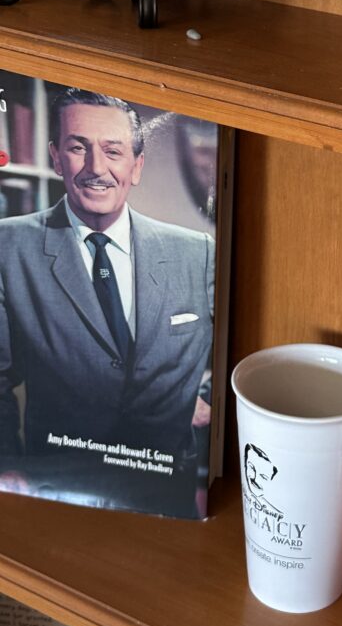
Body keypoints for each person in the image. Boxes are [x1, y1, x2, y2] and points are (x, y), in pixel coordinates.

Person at [0, 88, 215, 516]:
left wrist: (199, 400)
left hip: (166, 498)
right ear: (56, 158)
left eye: (113, 152)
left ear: (136, 166)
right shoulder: (9, 246)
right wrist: (7, 468)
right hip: (55, 491)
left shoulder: (199, 252)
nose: (97, 169)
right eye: (79, 148)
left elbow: (235, 361)